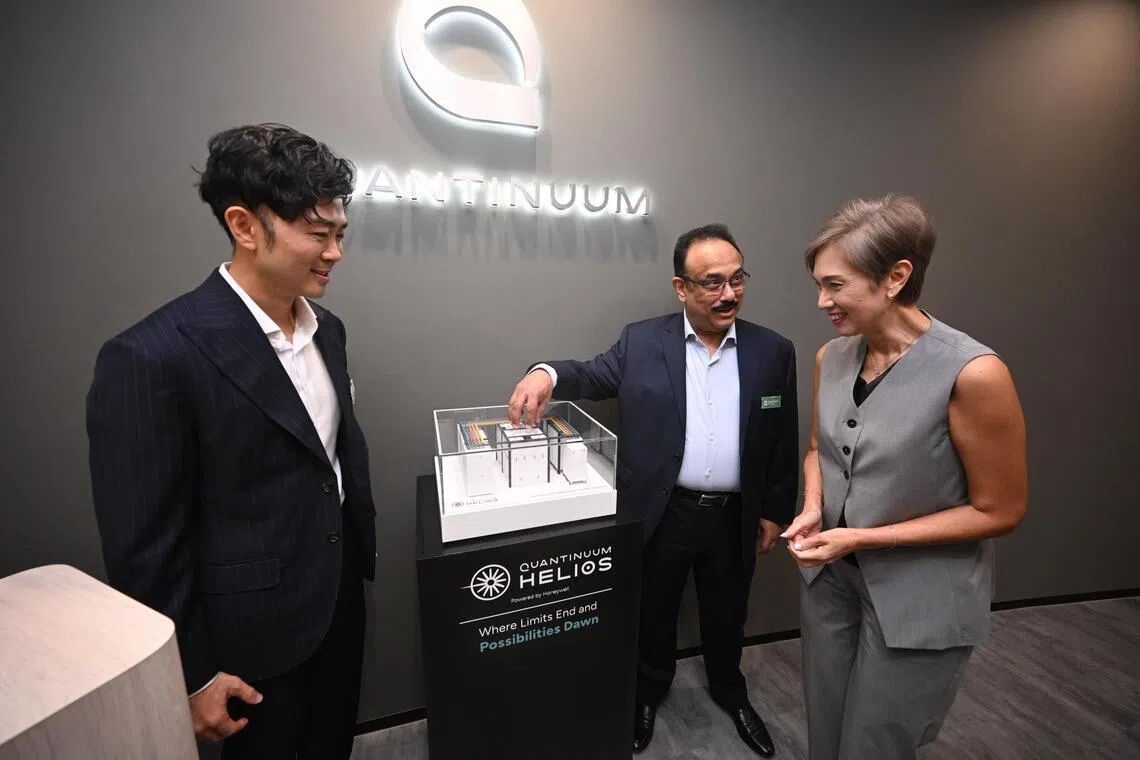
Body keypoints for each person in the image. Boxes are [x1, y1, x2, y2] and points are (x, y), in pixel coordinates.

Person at [86, 124, 376, 759]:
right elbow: (145, 547)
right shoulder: (152, 356)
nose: (334, 253)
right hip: (248, 641)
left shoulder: (329, 330)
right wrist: (192, 673)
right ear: (245, 226)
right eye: (317, 235)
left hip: (336, 603)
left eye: (340, 235)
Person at [508, 224, 798, 757]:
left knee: (728, 612)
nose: (728, 294)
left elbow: (782, 439)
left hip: (734, 515)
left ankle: (732, 694)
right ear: (680, 287)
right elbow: (590, 375)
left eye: (737, 279)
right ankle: (647, 695)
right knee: (653, 611)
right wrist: (544, 373)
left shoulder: (774, 351)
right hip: (664, 511)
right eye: (711, 283)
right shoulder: (642, 341)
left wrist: (777, 509)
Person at [783, 195, 1028, 759]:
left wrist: (861, 538)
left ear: (895, 277)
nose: (822, 301)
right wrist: (814, 505)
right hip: (833, 584)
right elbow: (819, 449)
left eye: (835, 285)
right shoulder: (833, 357)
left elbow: (1000, 511)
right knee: (827, 731)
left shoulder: (974, 373)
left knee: (876, 744)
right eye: (819, 285)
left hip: (921, 596)